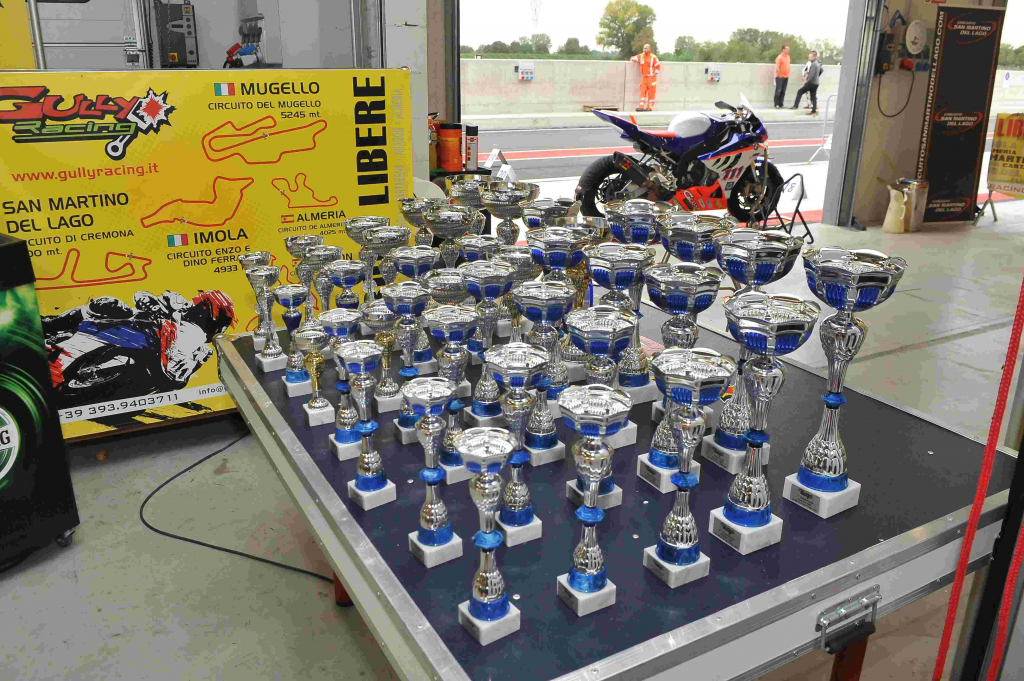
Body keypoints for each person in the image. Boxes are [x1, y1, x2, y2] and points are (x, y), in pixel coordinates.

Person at [630, 44, 661, 111]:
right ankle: (641, 106)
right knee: (642, 91)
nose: (644, 49)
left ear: (649, 49)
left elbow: (658, 67)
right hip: (644, 77)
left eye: (646, 48)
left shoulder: (653, 57)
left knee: (651, 93)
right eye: (644, 48)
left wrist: (654, 74)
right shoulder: (641, 56)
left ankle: (649, 107)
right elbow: (633, 58)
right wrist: (633, 59)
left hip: (651, 78)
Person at [791, 50, 822, 115]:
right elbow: (821, 70)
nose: (809, 58)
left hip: (811, 83)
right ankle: (813, 111)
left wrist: (807, 82)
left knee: (800, 91)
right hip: (816, 83)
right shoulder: (818, 63)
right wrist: (817, 76)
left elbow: (812, 75)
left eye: (810, 57)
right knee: (813, 96)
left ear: (814, 57)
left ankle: (795, 106)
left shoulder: (813, 64)